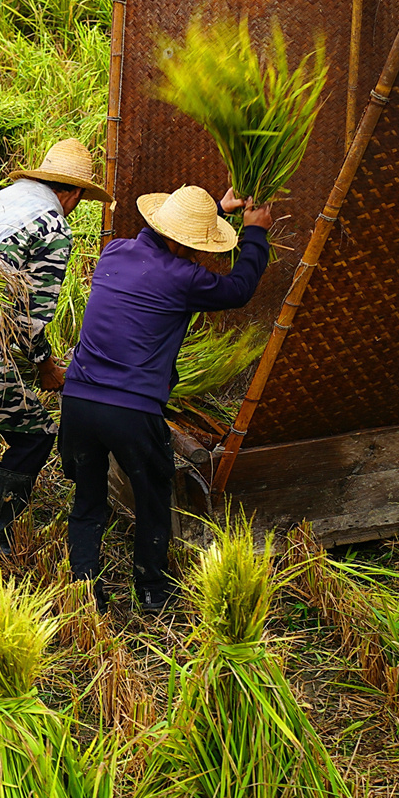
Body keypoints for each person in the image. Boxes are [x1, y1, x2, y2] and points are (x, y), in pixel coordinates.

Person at [60, 184, 274, 615]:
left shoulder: (114, 252)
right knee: (154, 494)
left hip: (78, 399)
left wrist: (216, 208)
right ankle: (152, 591)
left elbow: (172, 236)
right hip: (133, 411)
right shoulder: (184, 278)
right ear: (178, 242)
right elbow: (239, 289)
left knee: (88, 496)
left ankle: (84, 587)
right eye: (195, 246)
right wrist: (255, 233)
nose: (198, 256)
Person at [0, 138, 110, 553]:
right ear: (73, 193)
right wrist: (45, 367)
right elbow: (30, 318)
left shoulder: (7, 198)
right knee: (35, 434)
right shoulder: (53, 225)